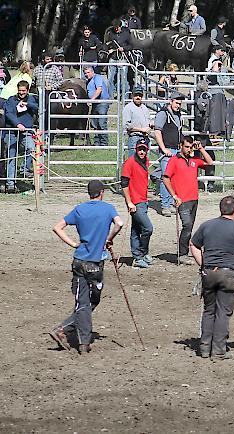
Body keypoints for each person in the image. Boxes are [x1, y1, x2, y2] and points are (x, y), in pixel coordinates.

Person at [49, 180, 123, 354]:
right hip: (95, 263)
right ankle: (74, 336)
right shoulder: (108, 208)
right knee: (90, 301)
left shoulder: (80, 209)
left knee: (83, 301)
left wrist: (74, 244)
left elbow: (57, 227)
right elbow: (119, 223)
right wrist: (109, 238)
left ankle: (76, 337)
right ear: (102, 192)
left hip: (79, 260)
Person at [189, 195, 234, 360]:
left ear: (221, 209)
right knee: (223, 312)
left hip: (209, 273)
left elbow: (193, 244)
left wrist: (203, 264)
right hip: (230, 274)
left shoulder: (206, 226)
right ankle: (219, 350)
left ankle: (204, 348)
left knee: (209, 310)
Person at [162, 136, 214, 265]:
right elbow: (165, 178)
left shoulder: (194, 160)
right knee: (187, 225)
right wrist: (174, 196)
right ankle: (183, 253)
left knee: (189, 227)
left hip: (194, 199)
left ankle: (183, 252)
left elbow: (210, 162)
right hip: (182, 200)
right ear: (180, 145)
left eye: (190, 147)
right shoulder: (174, 160)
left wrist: (201, 148)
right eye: (186, 147)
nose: (189, 149)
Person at [121, 138, 153, 268]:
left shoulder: (145, 161)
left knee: (136, 229)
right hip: (135, 202)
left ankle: (138, 256)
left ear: (147, 150)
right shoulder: (130, 163)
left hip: (143, 201)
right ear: (136, 149)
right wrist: (129, 202)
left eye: (143, 149)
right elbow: (124, 183)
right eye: (140, 149)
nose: (141, 152)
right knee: (148, 228)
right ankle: (141, 253)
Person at [154, 92, 185, 216]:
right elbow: (157, 132)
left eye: (180, 103)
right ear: (170, 101)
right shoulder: (163, 114)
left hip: (176, 150)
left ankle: (171, 202)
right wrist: (163, 148)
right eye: (177, 103)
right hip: (167, 150)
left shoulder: (178, 115)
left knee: (173, 178)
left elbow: (179, 132)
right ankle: (165, 205)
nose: (178, 105)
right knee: (165, 177)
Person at [3, 81, 37, 193]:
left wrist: (27, 104)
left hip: (26, 132)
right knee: (10, 157)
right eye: (20, 90)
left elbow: (38, 107)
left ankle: (26, 170)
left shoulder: (31, 99)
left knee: (32, 150)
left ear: (27, 90)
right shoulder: (11, 100)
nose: (21, 93)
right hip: (11, 132)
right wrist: (17, 124)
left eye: (24, 91)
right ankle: (10, 183)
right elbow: (9, 113)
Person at [83, 66, 110, 147]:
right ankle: (97, 142)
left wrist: (92, 99)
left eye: (88, 72)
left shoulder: (97, 78)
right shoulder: (88, 81)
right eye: (85, 73)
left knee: (101, 122)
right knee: (94, 123)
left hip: (102, 102)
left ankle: (104, 143)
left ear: (92, 72)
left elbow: (99, 89)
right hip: (95, 103)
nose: (86, 74)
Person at [104, 19, 132, 97]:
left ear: (120, 26)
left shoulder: (126, 34)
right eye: (114, 28)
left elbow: (131, 46)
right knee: (110, 79)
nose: (116, 29)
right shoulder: (111, 34)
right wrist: (109, 49)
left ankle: (124, 97)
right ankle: (110, 97)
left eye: (117, 28)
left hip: (122, 59)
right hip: (113, 58)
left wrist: (124, 48)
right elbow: (107, 44)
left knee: (123, 79)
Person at [123, 85, 151, 156]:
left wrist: (150, 125)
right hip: (134, 138)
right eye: (136, 95)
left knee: (145, 163)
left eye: (140, 95)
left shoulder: (145, 108)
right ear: (132, 96)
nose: (138, 97)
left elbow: (148, 121)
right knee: (133, 162)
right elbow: (127, 126)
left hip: (145, 138)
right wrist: (142, 130)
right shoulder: (128, 108)